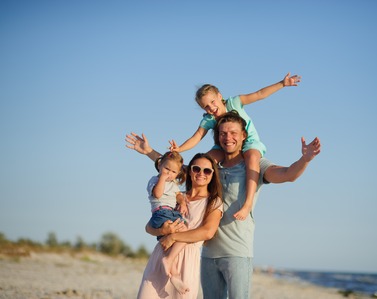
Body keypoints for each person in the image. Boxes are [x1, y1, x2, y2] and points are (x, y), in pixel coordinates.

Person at [126, 110, 321, 299]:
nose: (228, 137)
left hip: (237, 251)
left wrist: (305, 159)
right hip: (207, 252)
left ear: (244, 135)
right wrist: (150, 153)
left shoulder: (255, 166)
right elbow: (176, 170)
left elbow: (287, 174)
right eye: (223, 133)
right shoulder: (210, 168)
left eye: (233, 133)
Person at [169, 72, 301, 221]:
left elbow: (259, 94)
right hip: (224, 146)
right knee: (204, 161)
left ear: (219, 96)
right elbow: (197, 136)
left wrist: (282, 84)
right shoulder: (209, 119)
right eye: (206, 107)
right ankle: (188, 195)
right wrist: (179, 149)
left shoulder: (235, 102)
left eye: (212, 102)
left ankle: (248, 202)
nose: (211, 108)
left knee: (252, 158)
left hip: (249, 142)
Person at [128, 146, 223, 299]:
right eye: (196, 168)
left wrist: (173, 237)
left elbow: (207, 232)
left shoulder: (214, 202)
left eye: (207, 171)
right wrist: (162, 231)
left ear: (213, 175)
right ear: (189, 171)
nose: (201, 174)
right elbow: (148, 227)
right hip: (162, 252)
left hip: (187, 260)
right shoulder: (175, 195)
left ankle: (173, 272)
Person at [146, 151, 188, 283]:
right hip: (161, 212)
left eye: (173, 172)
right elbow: (157, 194)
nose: (169, 173)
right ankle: (169, 262)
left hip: (171, 212)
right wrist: (162, 178)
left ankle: (172, 269)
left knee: (183, 232)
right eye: (166, 169)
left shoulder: (174, 184)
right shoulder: (155, 180)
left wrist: (182, 202)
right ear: (159, 166)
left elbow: (178, 195)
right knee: (182, 233)